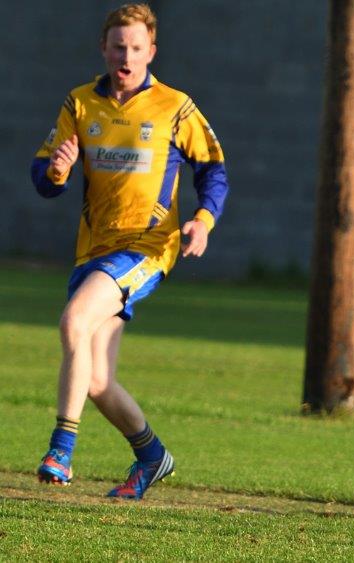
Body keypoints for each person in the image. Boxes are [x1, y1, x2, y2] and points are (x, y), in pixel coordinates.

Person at [31, 3, 228, 500]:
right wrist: (57, 169)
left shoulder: (175, 106)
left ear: (151, 52)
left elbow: (213, 169)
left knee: (74, 321)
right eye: (118, 45)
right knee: (96, 379)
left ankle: (61, 449)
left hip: (147, 246)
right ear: (103, 48)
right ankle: (151, 455)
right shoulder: (79, 104)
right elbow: (44, 178)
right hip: (92, 250)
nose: (126, 55)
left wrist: (202, 221)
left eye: (136, 47)